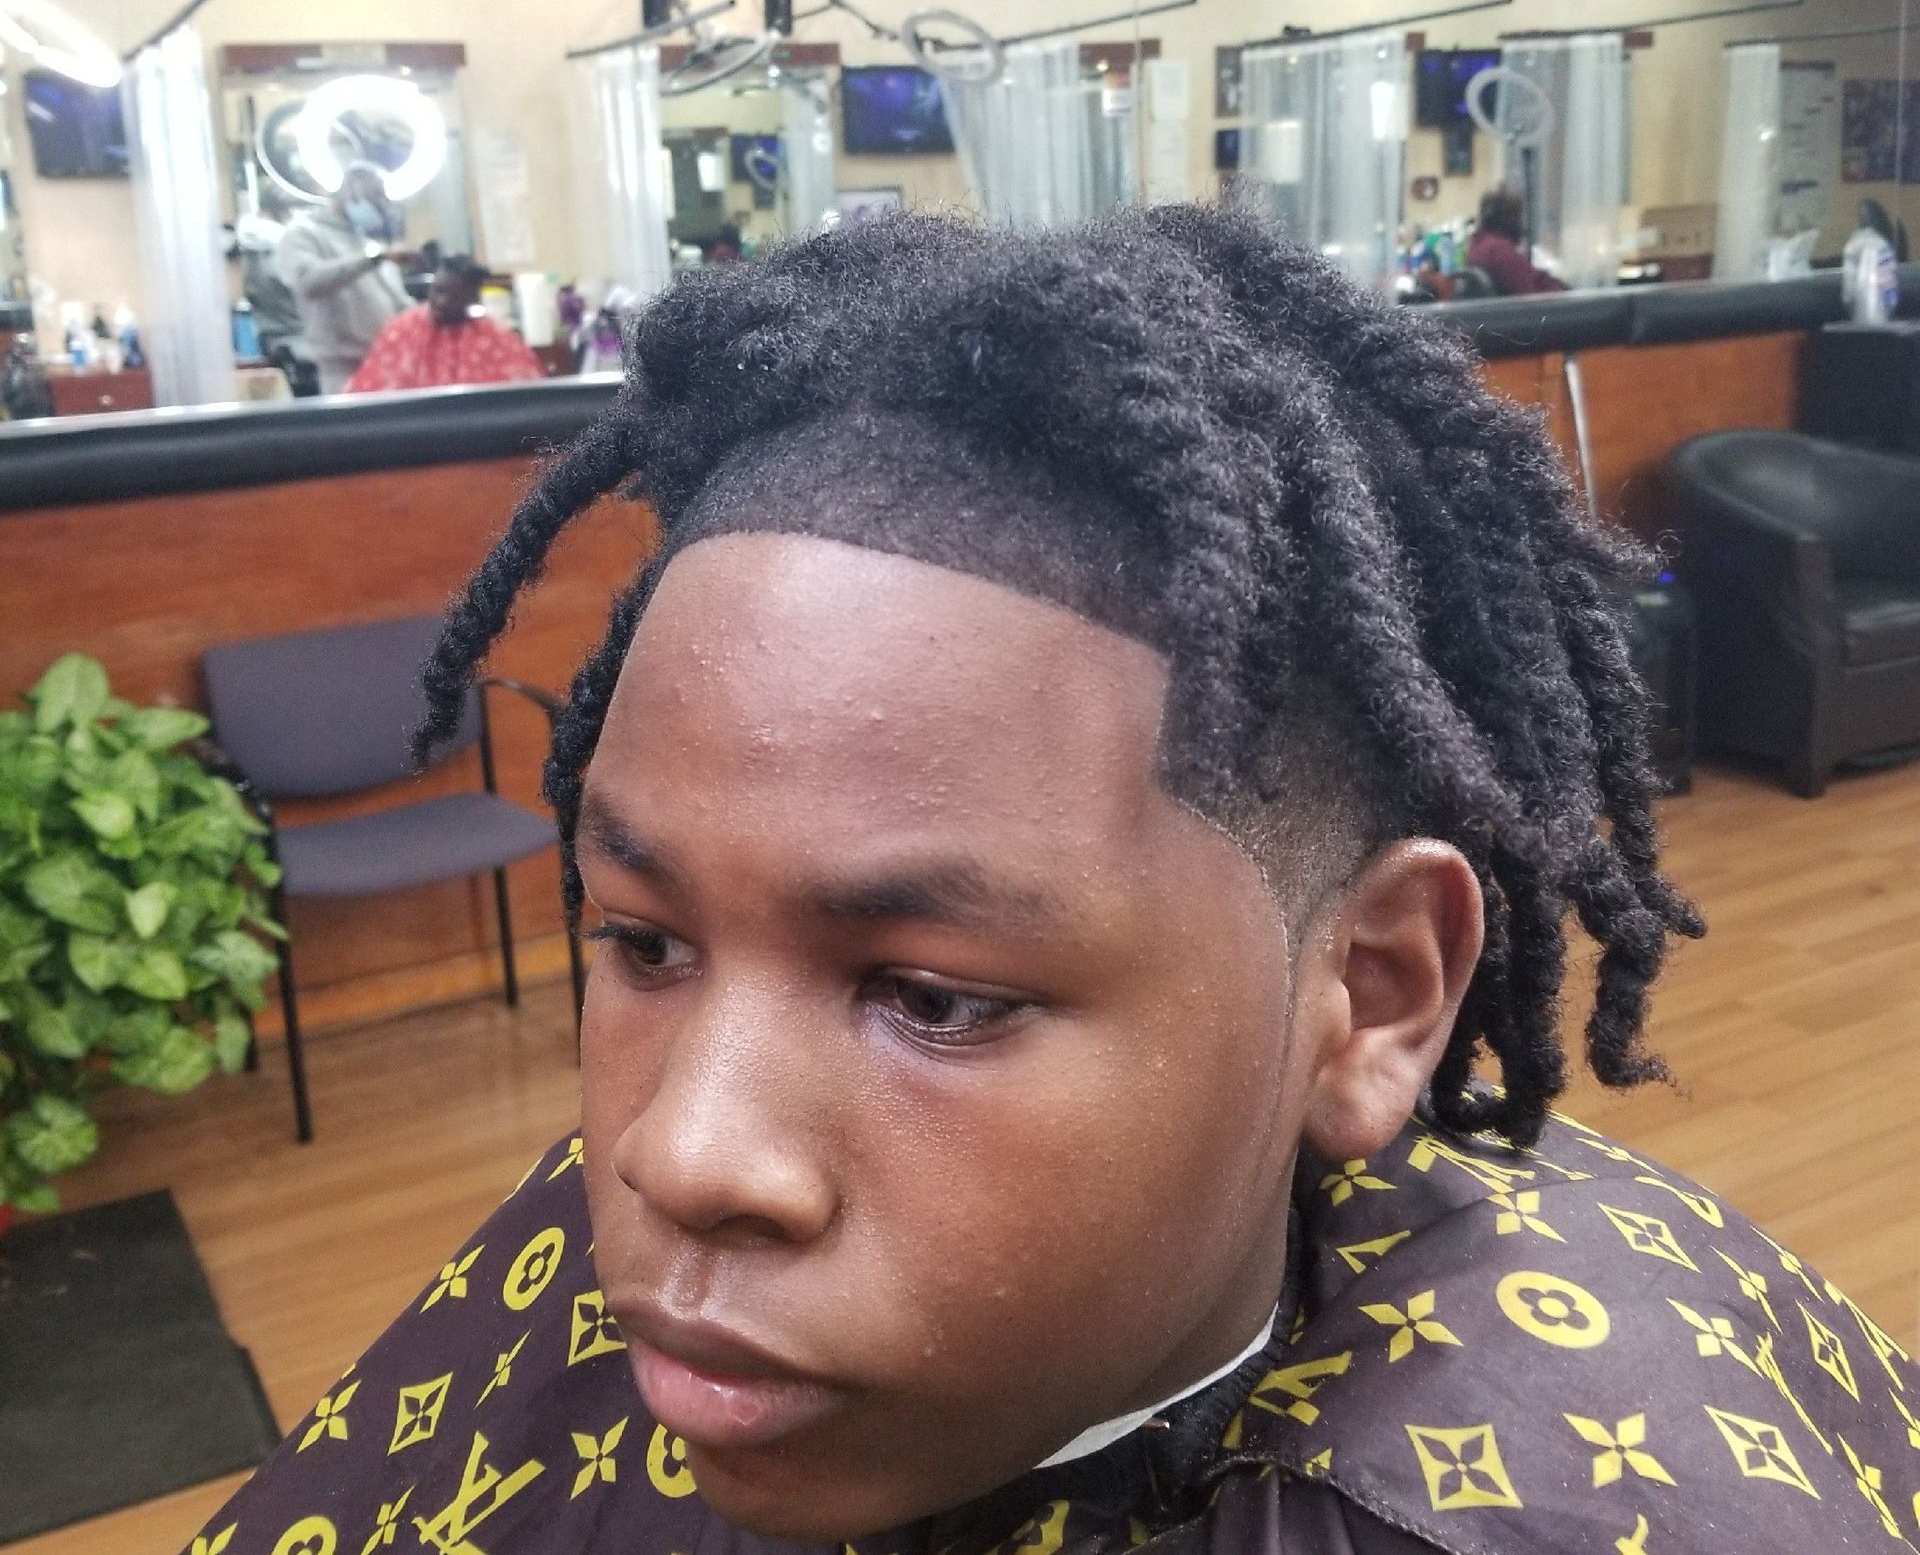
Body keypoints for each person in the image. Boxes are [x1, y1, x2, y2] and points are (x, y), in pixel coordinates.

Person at [193, 208, 1912, 1555]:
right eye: (647, 942)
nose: (675, 1153)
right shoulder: (608, 1302)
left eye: (933, 997)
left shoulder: (1617, 1473)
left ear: (1376, 992)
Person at [275, 162, 412, 392]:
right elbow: (309, 283)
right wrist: (370, 259)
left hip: (388, 362)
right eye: (376, 197)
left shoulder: (368, 242)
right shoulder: (303, 234)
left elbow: (396, 301)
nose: (381, 206)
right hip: (341, 369)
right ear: (352, 190)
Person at [343, 255, 546, 393]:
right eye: (438, 291)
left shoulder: (497, 341)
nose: (442, 301)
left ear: (473, 298)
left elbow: (524, 402)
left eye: (455, 296)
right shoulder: (401, 331)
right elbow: (369, 397)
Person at [1465, 186, 1566, 298]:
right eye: (1517, 217)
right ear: (1507, 220)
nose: (1521, 226)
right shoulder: (1499, 252)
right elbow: (1535, 296)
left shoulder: (1479, 245)